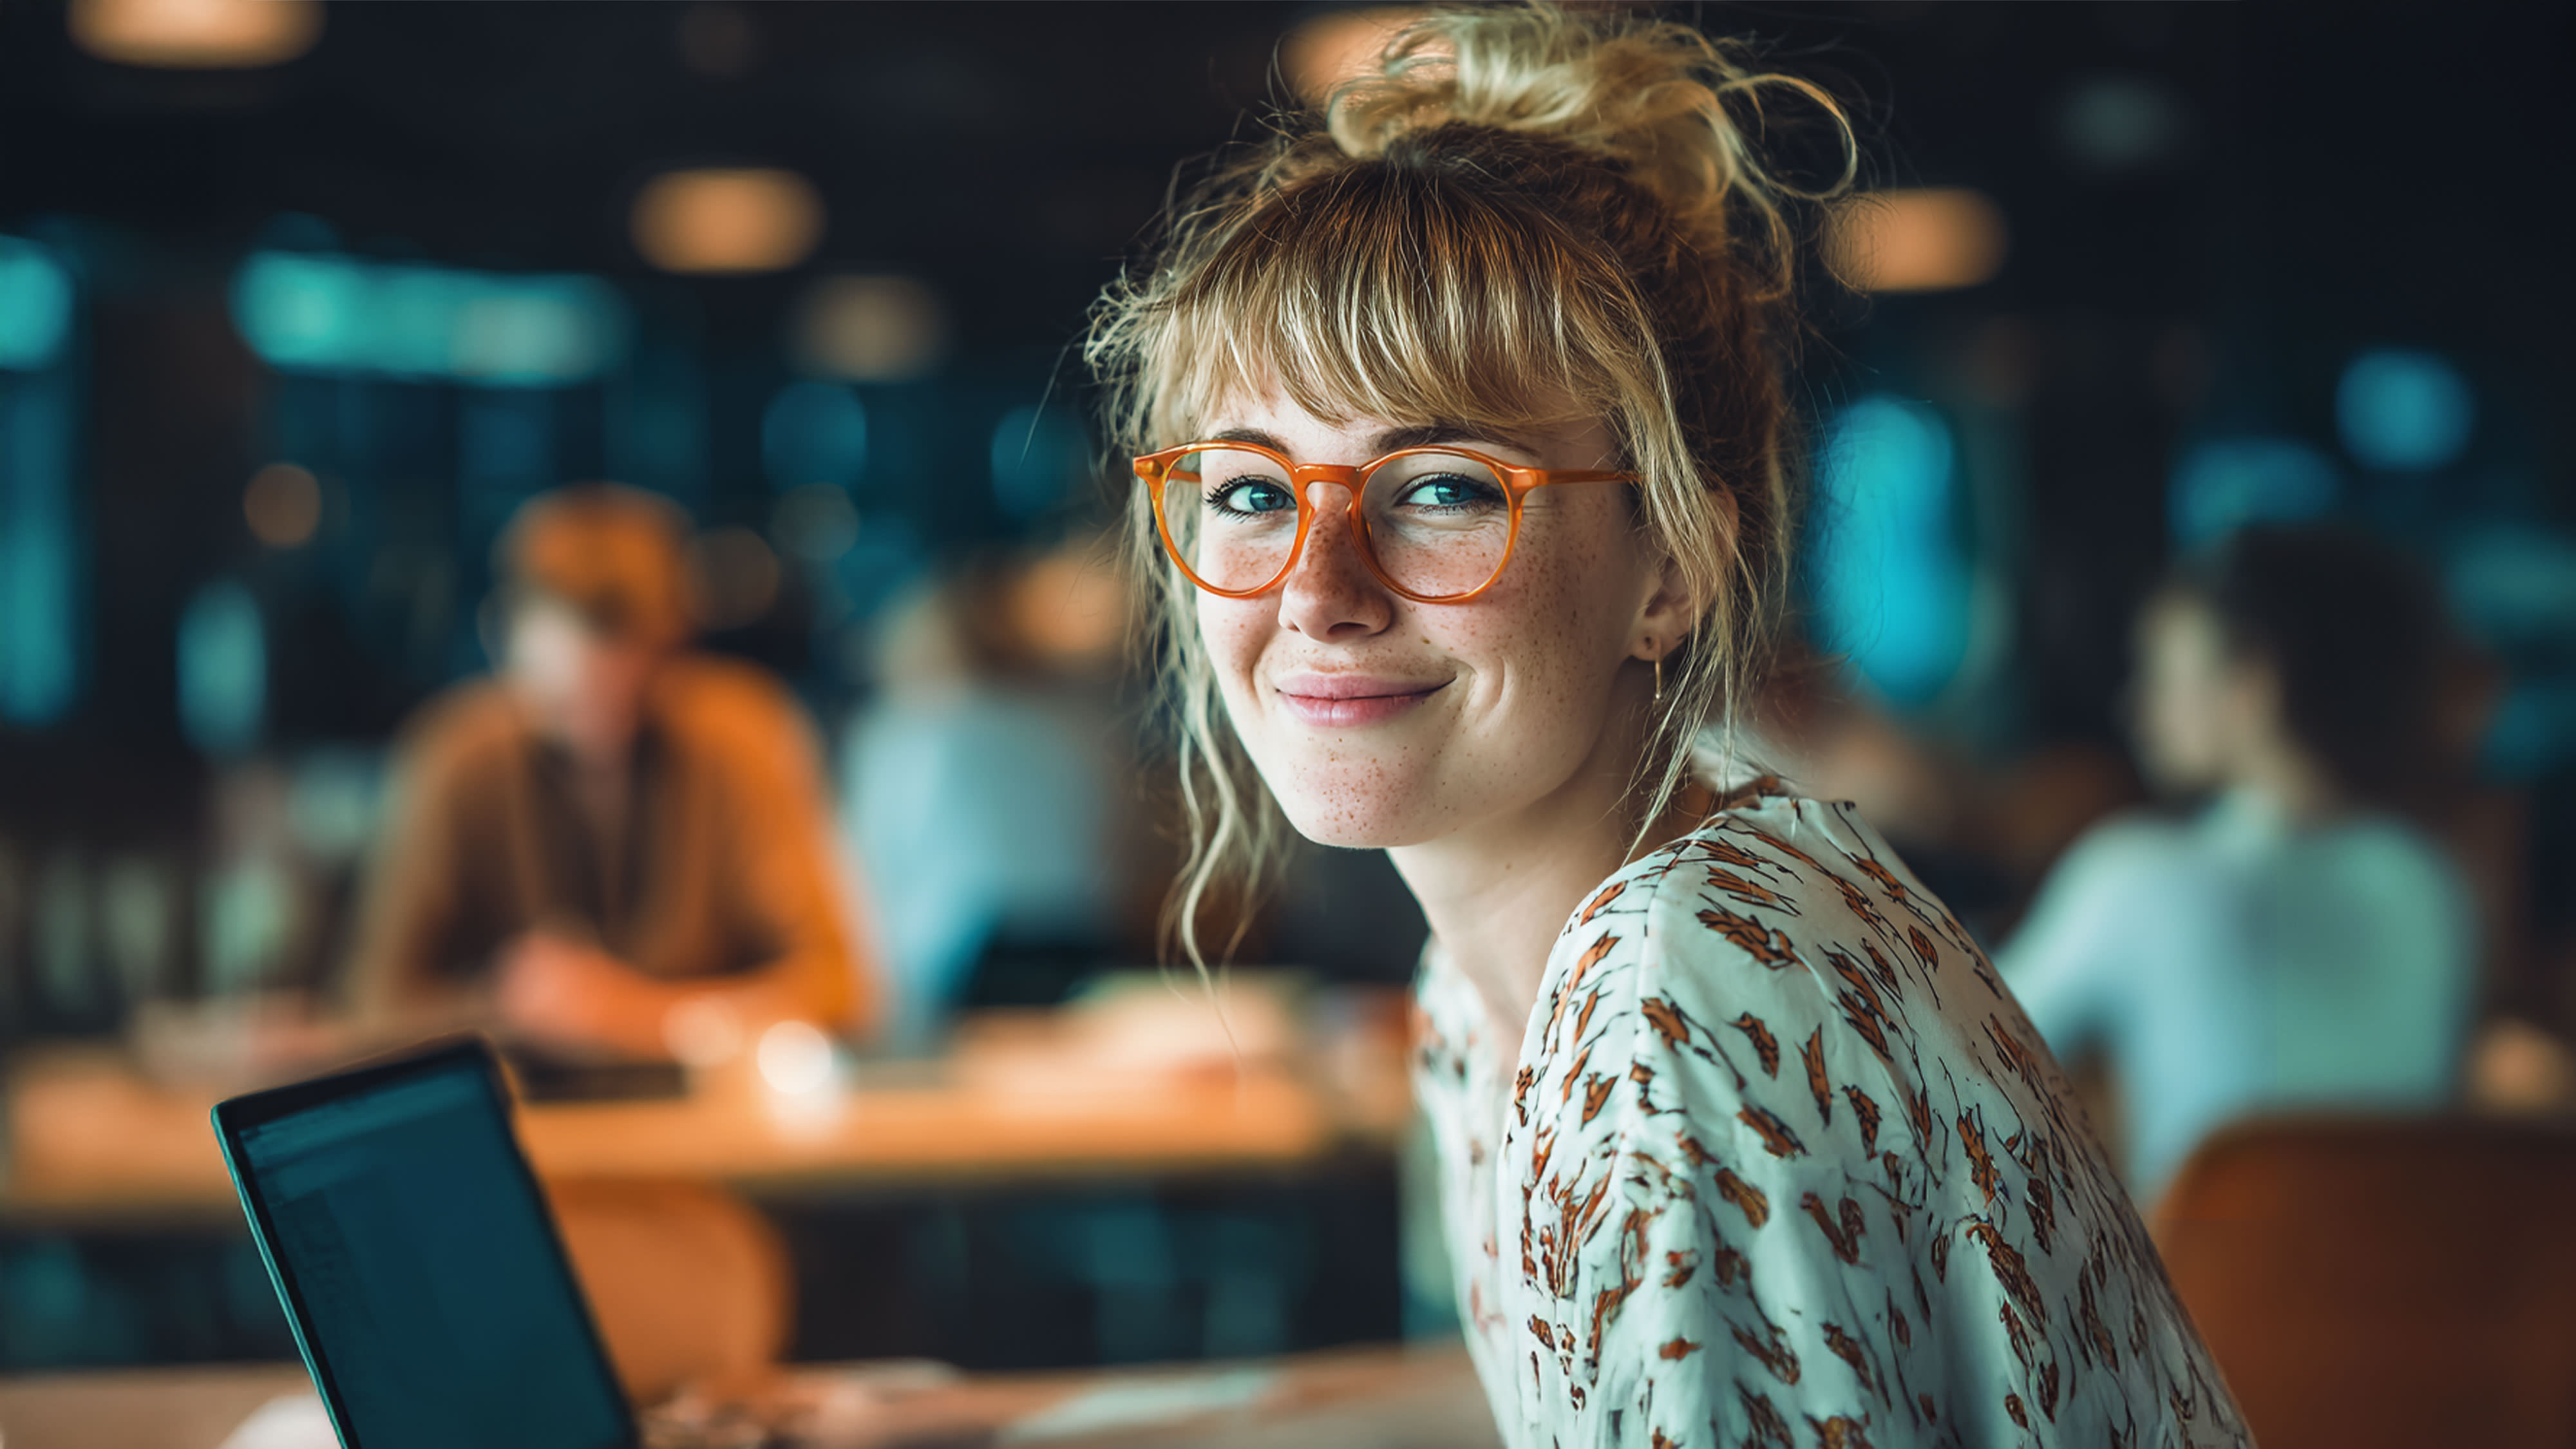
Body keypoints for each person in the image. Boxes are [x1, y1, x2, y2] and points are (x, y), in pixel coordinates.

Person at [1085, 5, 2246, 1444]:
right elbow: (1535, 1397)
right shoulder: (1500, 981)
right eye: (1253, 491)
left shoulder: (1674, 996)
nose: (1317, 595)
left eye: (1442, 487)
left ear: (1671, 573)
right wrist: (985, 1431)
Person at [2002, 524, 2477, 1202]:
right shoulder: (2433, 883)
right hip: (2406, 1298)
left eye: (2161, 673)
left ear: (2252, 682)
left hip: (2192, 1303)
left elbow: (1957, 1043)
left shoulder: (2137, 876)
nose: (2135, 707)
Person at [346, 484, 873, 1061]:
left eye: (627, 695)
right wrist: (514, 1010)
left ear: (672, 648)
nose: (600, 728)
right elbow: (371, 1002)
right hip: (520, 1105)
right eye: (566, 702)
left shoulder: (740, 738)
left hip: (710, 1121)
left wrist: (637, 1016)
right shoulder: (456, 755)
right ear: (502, 638)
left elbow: (842, 989)